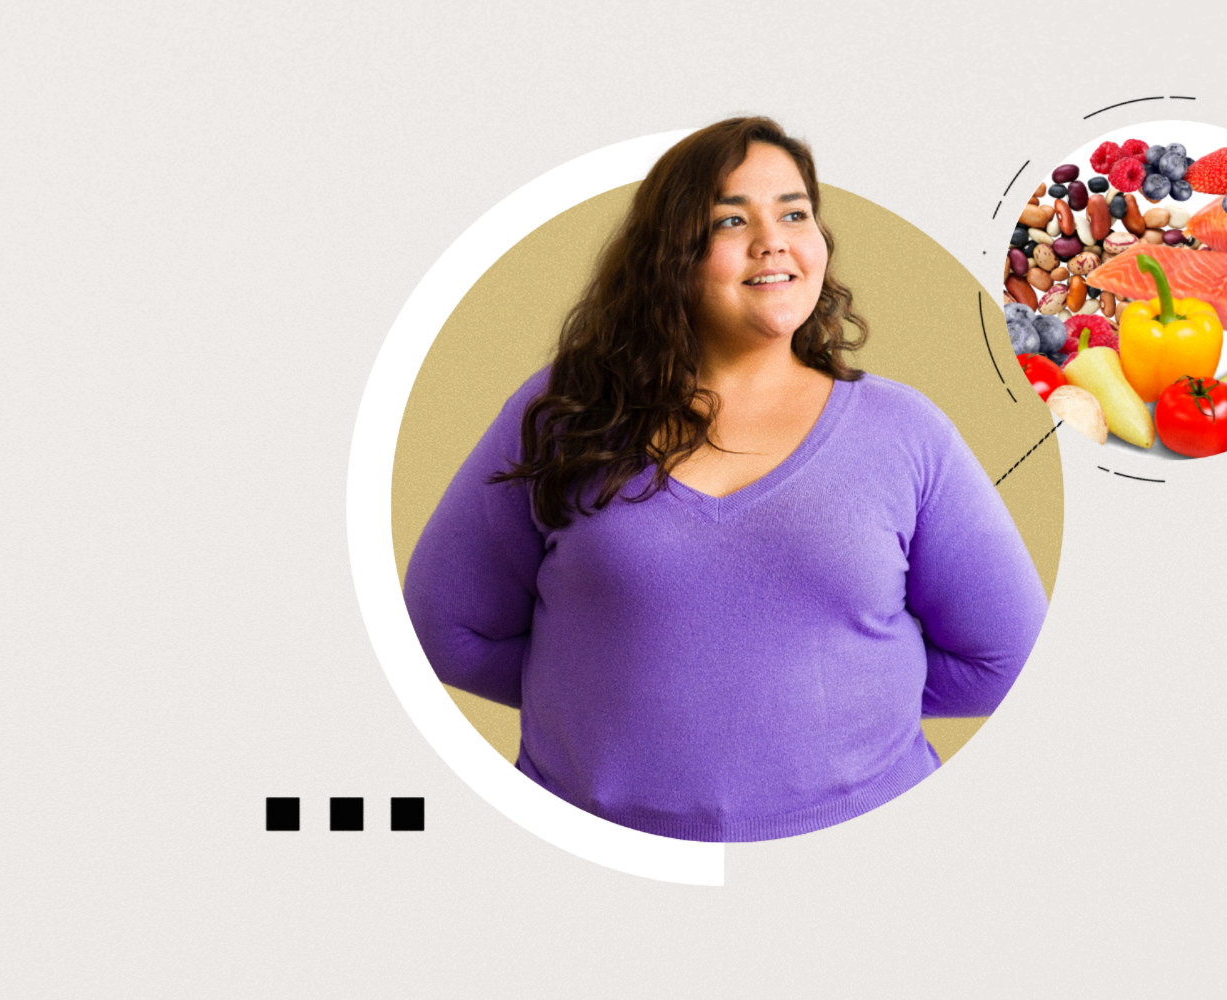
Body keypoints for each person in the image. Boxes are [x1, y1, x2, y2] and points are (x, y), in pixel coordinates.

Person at [405, 117, 1048, 842]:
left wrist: (840, 706)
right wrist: (605, 695)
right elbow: (444, 627)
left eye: (795, 212)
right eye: (730, 218)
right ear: (668, 256)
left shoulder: (906, 430)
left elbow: (1005, 657)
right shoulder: (565, 412)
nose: (772, 237)